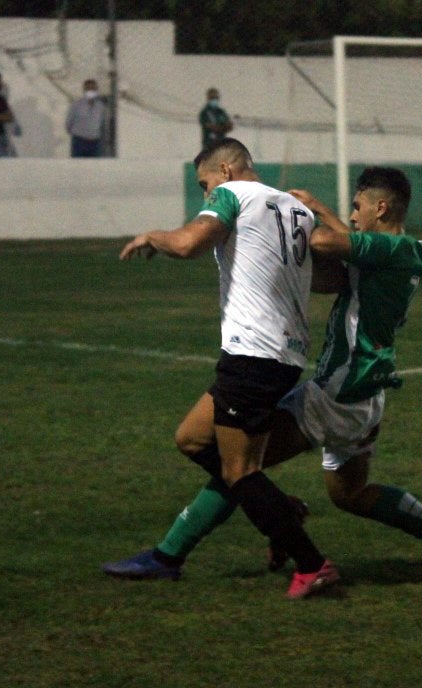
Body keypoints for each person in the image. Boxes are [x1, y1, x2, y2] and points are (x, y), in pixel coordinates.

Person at [102, 166, 422, 587]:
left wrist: (299, 216)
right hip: (365, 397)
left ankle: (170, 555)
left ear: (381, 208)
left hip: (337, 392)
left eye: (357, 207)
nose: (351, 216)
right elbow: (343, 255)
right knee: (349, 494)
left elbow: (325, 241)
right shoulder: (407, 251)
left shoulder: (389, 248)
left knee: (239, 469)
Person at [106, 138, 339, 599]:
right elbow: (329, 279)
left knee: (239, 471)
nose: (205, 195)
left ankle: (312, 564)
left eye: (205, 184)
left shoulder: (233, 196)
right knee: (191, 438)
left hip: (254, 355)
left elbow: (191, 243)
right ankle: (273, 507)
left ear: (227, 170)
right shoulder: (293, 209)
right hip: (282, 353)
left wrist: (154, 235)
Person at [65, 79, 106, 157]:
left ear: (96, 90)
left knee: (94, 167)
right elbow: (68, 123)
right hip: (79, 142)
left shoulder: (101, 106)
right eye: (88, 89)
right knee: (78, 166)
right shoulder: (76, 105)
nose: (90, 91)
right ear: (84, 90)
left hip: (95, 142)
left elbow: (102, 123)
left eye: (93, 89)